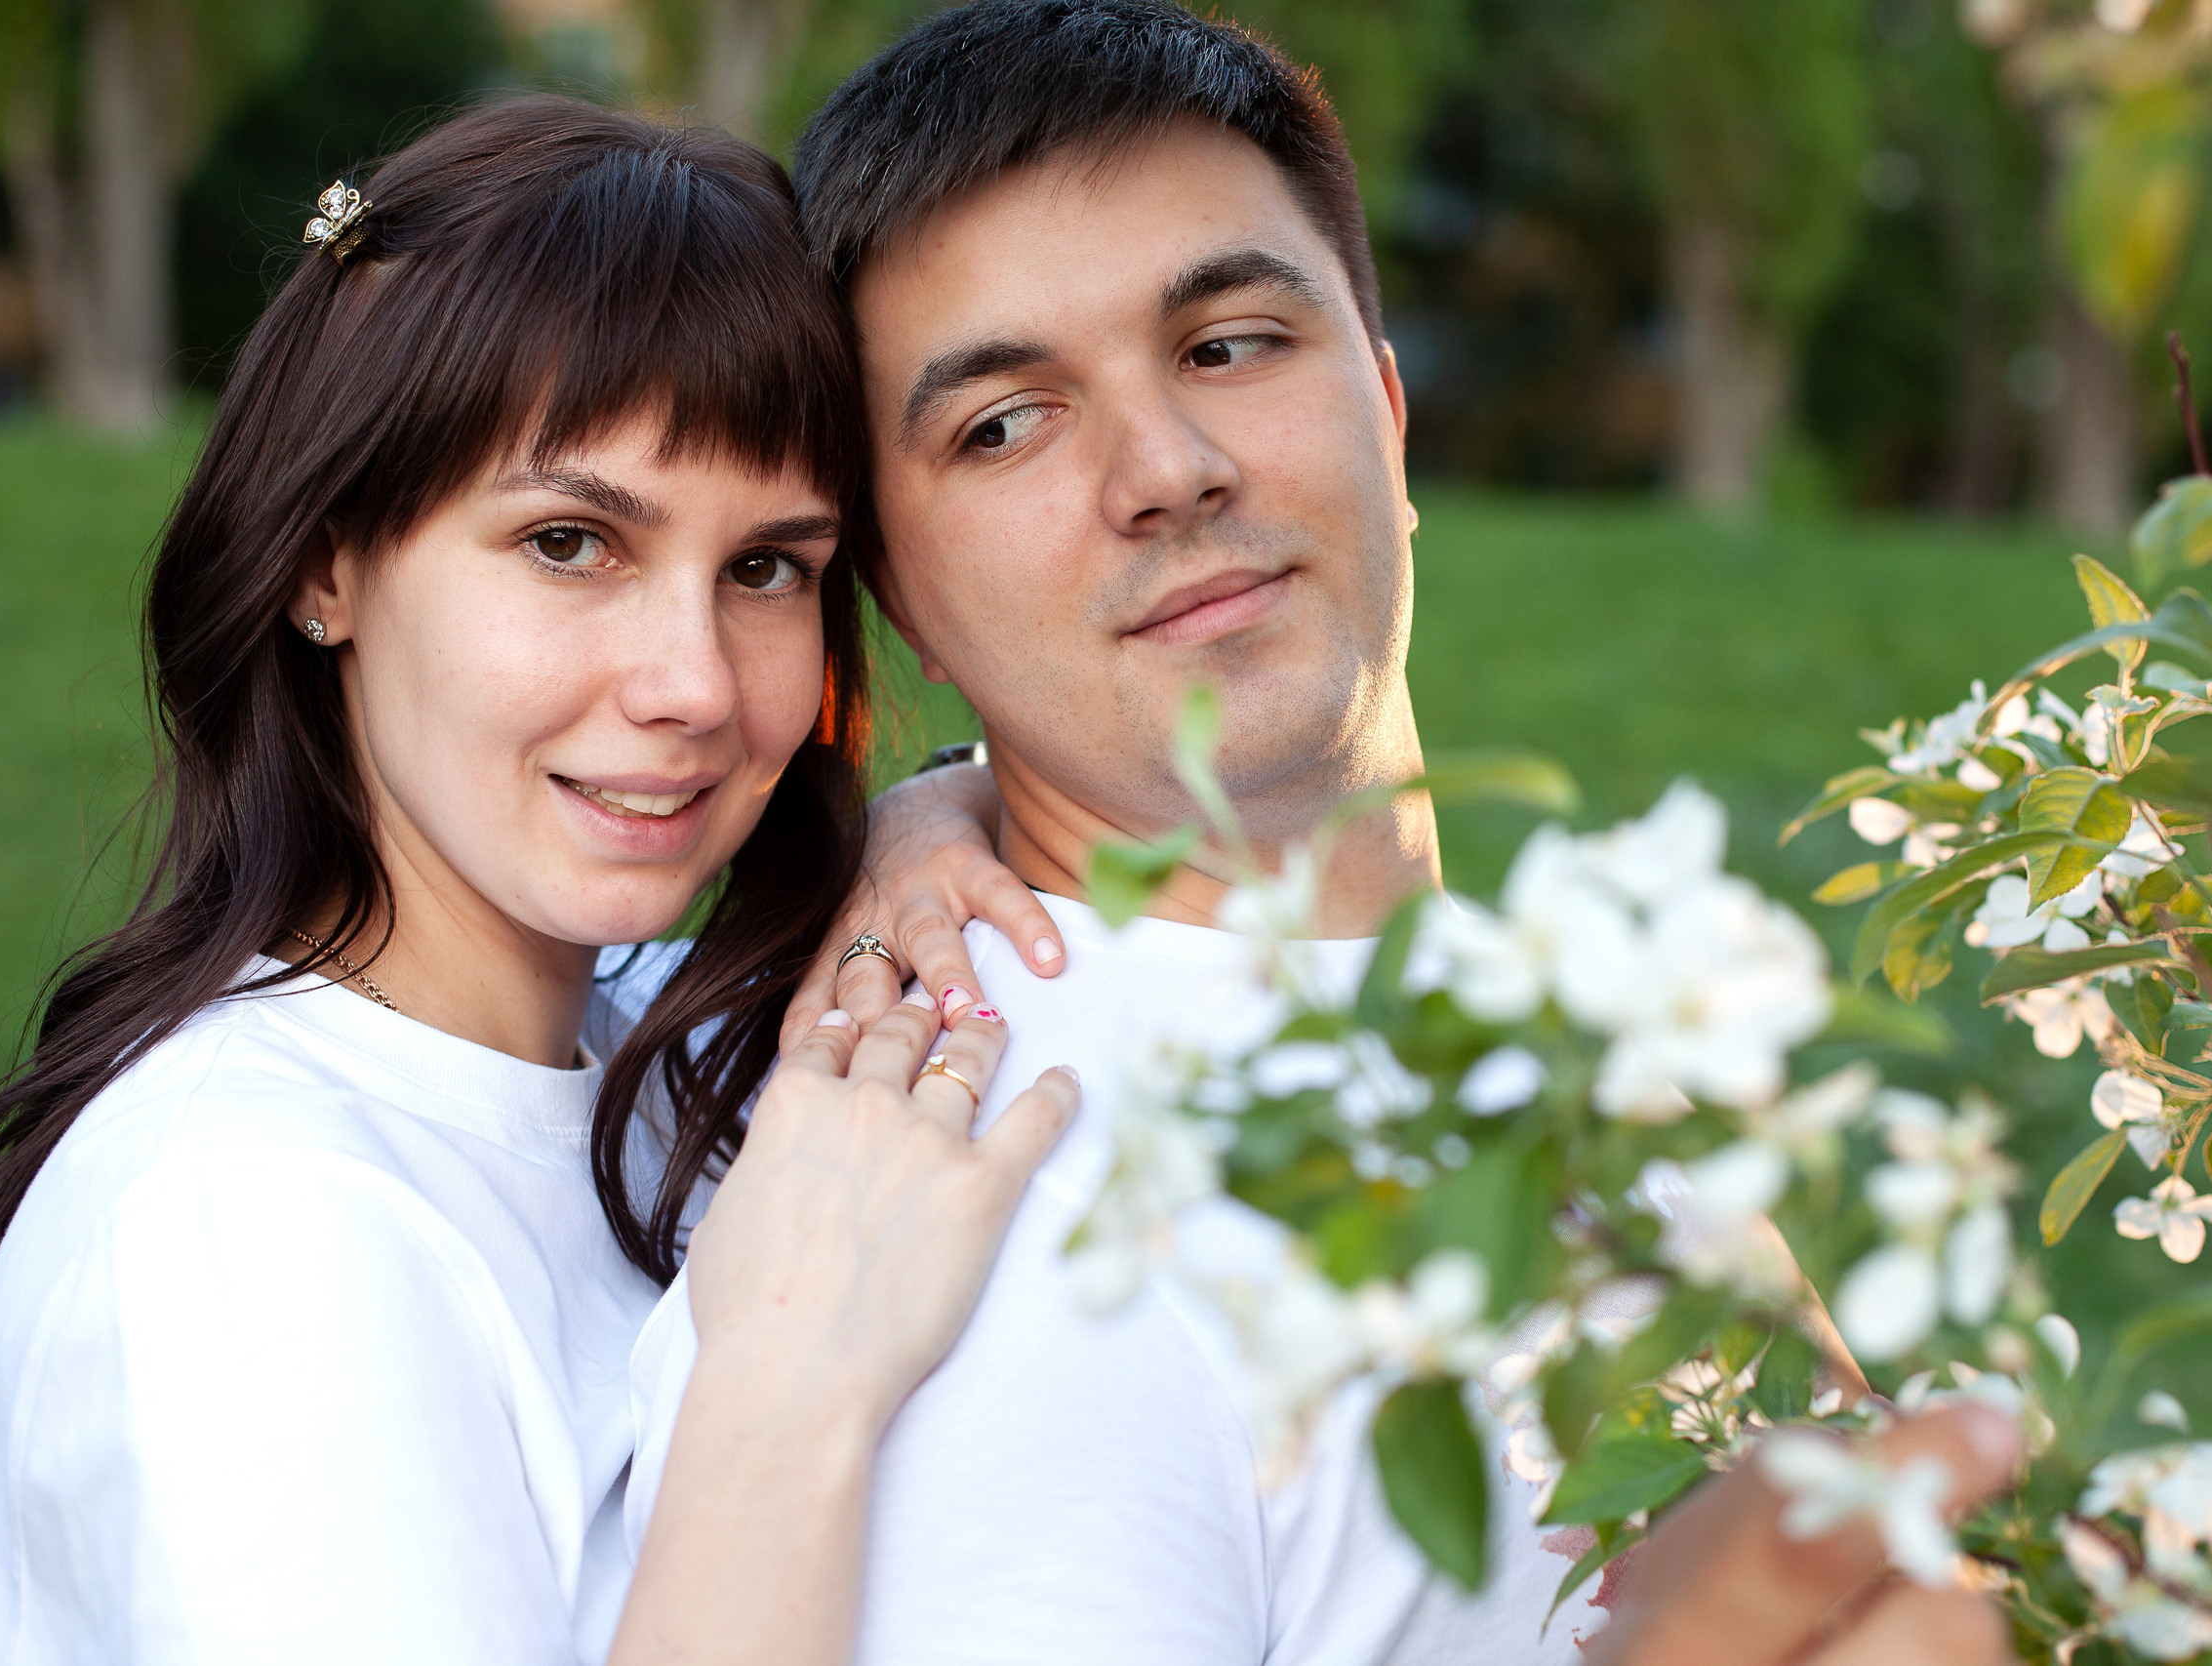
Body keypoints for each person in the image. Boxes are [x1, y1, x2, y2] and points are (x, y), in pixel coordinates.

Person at [623, 5, 2023, 1664]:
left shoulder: (1575, 1051)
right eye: (1002, 424)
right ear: (898, 600)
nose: (1167, 470)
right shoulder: (1004, 1233)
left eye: (1226, 343)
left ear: (1388, 407)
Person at [0, 97, 1077, 1666]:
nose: (693, 683)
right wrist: (784, 1386)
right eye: (569, 542)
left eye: (765, 569)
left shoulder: (638, 1042)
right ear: (324, 563)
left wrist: (936, 815)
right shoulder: (253, 1235)